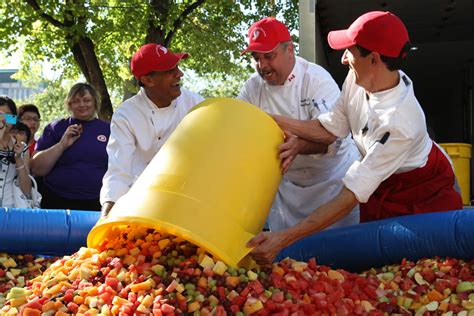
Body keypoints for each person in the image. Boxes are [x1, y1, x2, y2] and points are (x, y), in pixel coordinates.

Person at [247, 11, 463, 265]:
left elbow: (349, 197)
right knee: (377, 266)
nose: (343, 58)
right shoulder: (357, 79)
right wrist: (273, 120)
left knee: (425, 264)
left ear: (374, 59)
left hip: (422, 191)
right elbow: (330, 128)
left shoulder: (400, 122)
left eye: (350, 50)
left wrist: (283, 239)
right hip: (379, 185)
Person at [239, 17, 360, 232]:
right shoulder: (252, 88)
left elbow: (330, 136)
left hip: (332, 181)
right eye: (256, 58)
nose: (262, 65)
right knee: (288, 260)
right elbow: (239, 128)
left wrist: (291, 139)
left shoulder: (315, 79)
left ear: (290, 50)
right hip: (289, 190)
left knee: (338, 257)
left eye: (269, 56)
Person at [100, 44, 204, 217]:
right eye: (171, 70)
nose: (180, 74)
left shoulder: (196, 104)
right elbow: (119, 170)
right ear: (148, 80)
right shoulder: (126, 114)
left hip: (189, 199)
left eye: (177, 67)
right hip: (142, 204)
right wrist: (106, 215)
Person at [31, 83, 110, 211]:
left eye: (86, 100)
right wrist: (62, 145)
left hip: (97, 201)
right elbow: (37, 168)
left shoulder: (109, 130)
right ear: (69, 104)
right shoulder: (55, 128)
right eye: (76, 101)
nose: (82, 105)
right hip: (56, 199)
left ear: (95, 102)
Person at [0, 96, 32, 207]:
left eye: (7, 115)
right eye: (0, 114)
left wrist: (18, 158)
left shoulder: (22, 148)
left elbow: (27, 191)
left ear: (14, 119)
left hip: (10, 210)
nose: (3, 119)